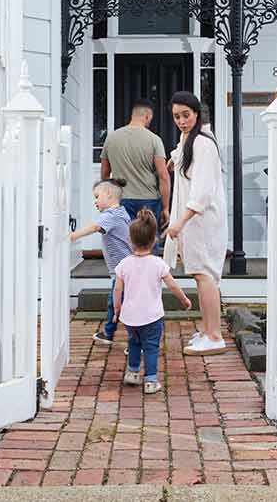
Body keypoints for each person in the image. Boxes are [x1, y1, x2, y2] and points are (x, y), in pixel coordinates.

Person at [164, 91, 229, 356]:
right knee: (200, 275)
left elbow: (202, 191)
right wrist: (172, 160)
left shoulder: (203, 143)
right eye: (177, 116)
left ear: (197, 114)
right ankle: (208, 329)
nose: (181, 120)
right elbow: (179, 154)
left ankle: (215, 336)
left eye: (186, 115)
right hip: (195, 220)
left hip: (202, 220)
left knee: (205, 275)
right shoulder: (189, 139)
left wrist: (179, 222)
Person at [113, 208, 192, 394]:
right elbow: (173, 286)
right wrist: (184, 299)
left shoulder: (124, 264)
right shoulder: (158, 264)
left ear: (130, 241)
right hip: (152, 316)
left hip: (130, 316)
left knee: (133, 343)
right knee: (151, 347)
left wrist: (117, 309)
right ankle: (150, 380)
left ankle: (132, 373)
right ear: (154, 240)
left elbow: (117, 289)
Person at [69, 179, 132, 345]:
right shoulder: (120, 212)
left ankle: (134, 342)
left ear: (109, 194)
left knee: (123, 305)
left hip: (123, 271)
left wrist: (74, 235)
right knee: (119, 303)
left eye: (97, 196)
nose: (95, 201)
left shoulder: (111, 215)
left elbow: (95, 227)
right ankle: (110, 333)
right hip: (124, 270)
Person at [101, 99, 171, 229]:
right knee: (148, 243)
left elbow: (104, 174)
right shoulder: (154, 140)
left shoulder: (111, 138)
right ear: (147, 116)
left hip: (121, 199)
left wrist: (108, 199)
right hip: (148, 200)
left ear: (133, 115)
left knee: (124, 242)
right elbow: (163, 176)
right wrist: (165, 207)